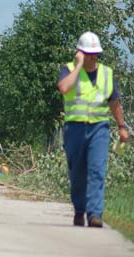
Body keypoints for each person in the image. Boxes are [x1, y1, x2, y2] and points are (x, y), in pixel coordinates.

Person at [57, 31, 130, 228]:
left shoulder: (107, 73)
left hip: (99, 128)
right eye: (88, 53)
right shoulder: (69, 69)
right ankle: (79, 210)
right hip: (75, 128)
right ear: (79, 53)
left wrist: (122, 126)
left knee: (97, 170)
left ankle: (95, 214)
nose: (92, 57)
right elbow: (64, 88)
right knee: (77, 172)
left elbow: (114, 102)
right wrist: (79, 65)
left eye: (95, 53)